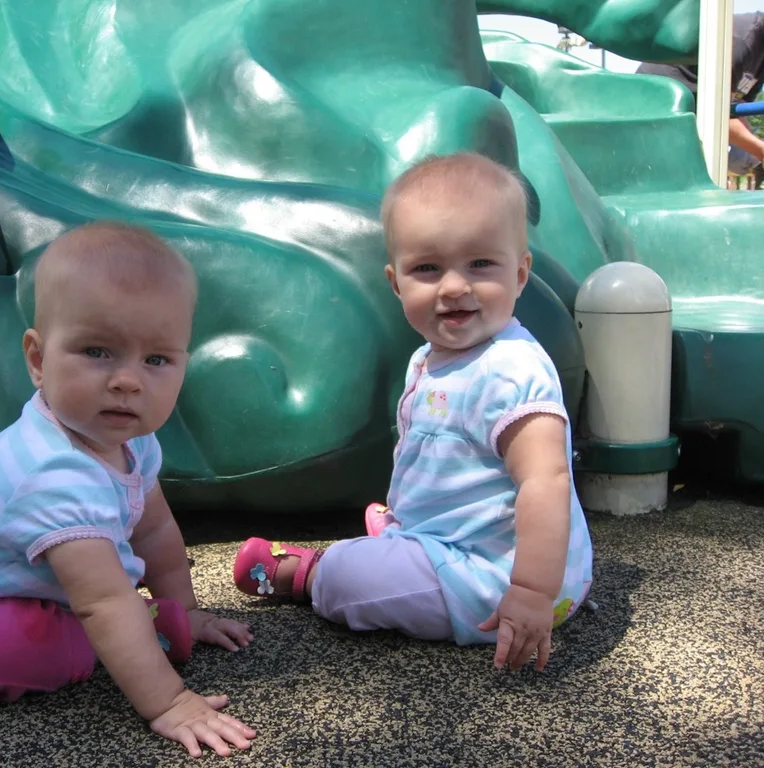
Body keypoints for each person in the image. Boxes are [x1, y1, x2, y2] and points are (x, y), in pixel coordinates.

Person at [0, 222, 256, 758]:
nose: (128, 380)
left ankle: (150, 630)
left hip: (16, 586)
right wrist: (170, 702)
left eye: (157, 359)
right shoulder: (52, 474)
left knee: (100, 616)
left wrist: (183, 607)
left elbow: (155, 528)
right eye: (97, 351)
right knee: (42, 649)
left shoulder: (132, 440)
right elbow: (103, 602)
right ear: (38, 360)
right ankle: (136, 640)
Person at [232, 153, 594, 671]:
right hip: (457, 540)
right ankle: (405, 535)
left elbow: (546, 482)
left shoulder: (510, 370)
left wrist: (532, 592)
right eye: (427, 268)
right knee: (401, 530)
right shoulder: (429, 358)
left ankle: (307, 572)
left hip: (496, 576)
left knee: (349, 581)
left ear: (520, 273)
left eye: (480, 264)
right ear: (396, 282)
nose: (452, 286)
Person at [637, 11, 764, 175]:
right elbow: (717, 114)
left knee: (743, 160)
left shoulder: (759, 59)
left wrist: (756, 151)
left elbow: (738, 106)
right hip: (659, 99)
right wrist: (760, 149)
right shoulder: (740, 42)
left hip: (700, 105)